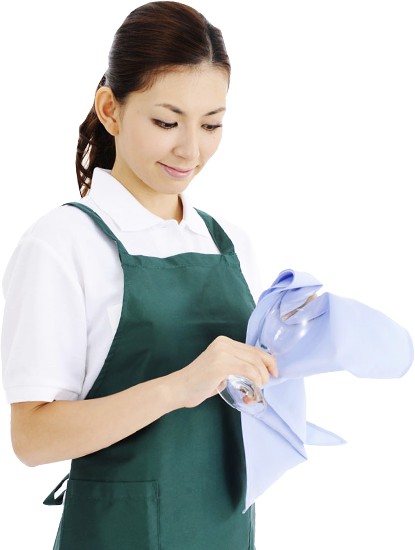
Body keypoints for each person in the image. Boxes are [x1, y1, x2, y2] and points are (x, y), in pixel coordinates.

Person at [4, 2, 278, 549]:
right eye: (166, 122)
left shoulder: (230, 243)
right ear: (110, 109)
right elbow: (32, 436)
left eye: (211, 124)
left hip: (225, 531)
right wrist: (180, 387)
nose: (191, 149)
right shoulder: (66, 241)